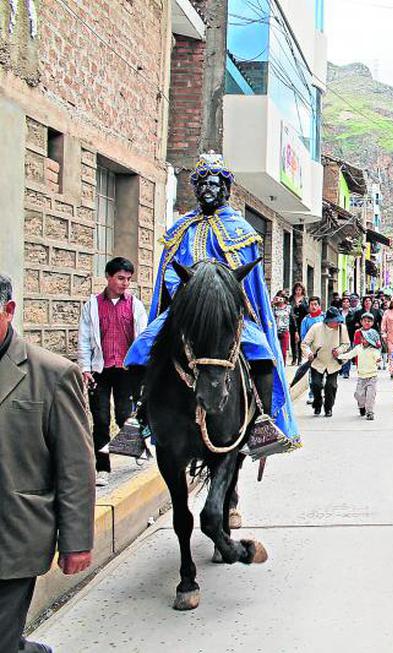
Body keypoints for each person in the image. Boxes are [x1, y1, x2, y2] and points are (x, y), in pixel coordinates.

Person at [124, 152, 299, 458]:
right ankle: (138, 418)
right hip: (185, 311)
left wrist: (222, 294)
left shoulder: (241, 231)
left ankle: (261, 423)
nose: (209, 190)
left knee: (262, 353)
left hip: (226, 314)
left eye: (215, 185)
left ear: (226, 190)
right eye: (203, 184)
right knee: (141, 348)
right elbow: (169, 273)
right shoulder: (180, 229)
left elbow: (248, 282)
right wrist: (181, 297)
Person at [0, 273, 94, 653]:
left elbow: (74, 465)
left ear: (8, 311)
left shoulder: (53, 375)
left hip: (12, 537)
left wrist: (76, 542)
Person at [76, 257, 148, 486]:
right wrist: (85, 368)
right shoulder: (93, 306)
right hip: (100, 370)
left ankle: (136, 448)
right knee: (101, 418)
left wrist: (143, 368)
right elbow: (84, 340)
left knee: (126, 416)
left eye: (128, 279)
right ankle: (103, 467)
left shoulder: (135, 305)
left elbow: (143, 339)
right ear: (108, 277)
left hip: (126, 370)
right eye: (120, 278)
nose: (125, 283)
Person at [302, 306, 350, 417]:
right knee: (316, 384)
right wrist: (308, 353)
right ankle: (317, 404)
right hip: (318, 361)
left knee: (331, 386)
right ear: (328, 320)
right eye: (335, 321)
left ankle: (329, 407)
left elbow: (346, 344)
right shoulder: (316, 328)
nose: (337, 323)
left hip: (333, 362)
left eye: (338, 320)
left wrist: (339, 350)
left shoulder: (342, 328)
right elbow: (305, 344)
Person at [335, 321, 382, 420]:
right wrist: (340, 356)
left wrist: (379, 362)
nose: (363, 340)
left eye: (365, 338)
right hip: (361, 377)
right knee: (358, 395)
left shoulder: (374, 351)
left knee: (370, 396)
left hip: (372, 377)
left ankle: (370, 412)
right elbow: (350, 354)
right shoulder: (358, 348)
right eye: (362, 338)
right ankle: (362, 407)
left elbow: (378, 358)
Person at [288, 282, 309, 365]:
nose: (298, 292)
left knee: (300, 339)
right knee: (293, 340)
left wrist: (301, 305)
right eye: (296, 290)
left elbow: (307, 310)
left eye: (300, 290)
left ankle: (300, 358)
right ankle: (294, 358)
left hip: (302, 321)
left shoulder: (305, 299)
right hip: (292, 321)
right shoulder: (291, 298)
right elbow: (288, 308)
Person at [273, 294, 291, 361]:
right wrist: (273, 303)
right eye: (278, 298)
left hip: (284, 330)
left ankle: (283, 364)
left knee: (283, 351)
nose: (280, 300)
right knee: (275, 350)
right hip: (275, 331)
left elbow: (292, 318)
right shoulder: (274, 308)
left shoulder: (288, 307)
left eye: (281, 298)